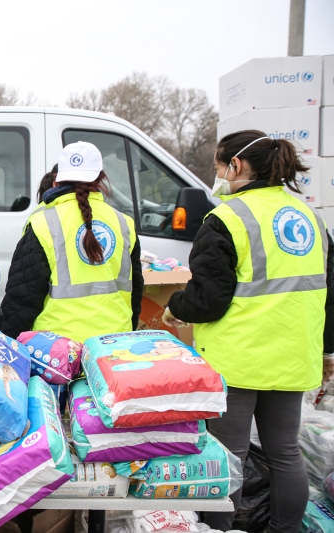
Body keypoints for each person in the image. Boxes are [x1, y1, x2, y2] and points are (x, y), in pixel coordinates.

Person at [163, 130, 334, 533]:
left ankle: (220, 530)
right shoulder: (311, 218)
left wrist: (175, 307)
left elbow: (208, 300)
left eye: (218, 166)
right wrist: (326, 351)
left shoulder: (226, 219)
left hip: (239, 360)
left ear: (236, 165)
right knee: (285, 453)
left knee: (228, 457)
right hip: (293, 357)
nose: (217, 175)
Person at [1, 141, 144, 342]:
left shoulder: (43, 223)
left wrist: (8, 347)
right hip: (114, 344)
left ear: (57, 180)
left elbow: (21, 300)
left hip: (57, 349)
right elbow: (136, 291)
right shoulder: (123, 223)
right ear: (101, 178)